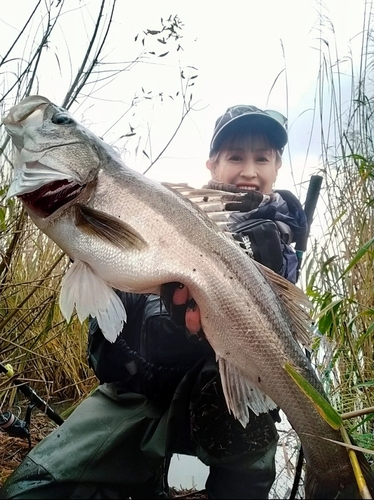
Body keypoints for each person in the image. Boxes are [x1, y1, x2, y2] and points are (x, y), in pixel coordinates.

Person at [0, 105, 308, 500]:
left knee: (249, 448)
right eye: (235, 157)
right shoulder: (170, 209)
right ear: (212, 164)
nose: (249, 170)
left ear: (278, 165)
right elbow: (108, 326)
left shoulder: (277, 235)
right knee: (30, 491)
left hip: (228, 405)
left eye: (262, 158)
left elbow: (279, 318)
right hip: (142, 395)